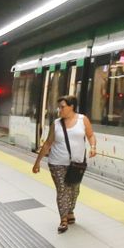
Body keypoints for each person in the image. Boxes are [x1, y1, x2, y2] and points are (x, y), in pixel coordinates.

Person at [33, 94, 94, 233]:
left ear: (71, 107)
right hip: (57, 163)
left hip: (77, 164)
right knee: (62, 190)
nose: (59, 109)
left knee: (74, 190)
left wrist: (93, 147)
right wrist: (37, 163)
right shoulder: (56, 124)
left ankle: (70, 210)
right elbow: (48, 143)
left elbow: (90, 135)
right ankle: (63, 219)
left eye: (62, 107)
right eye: (59, 107)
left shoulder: (82, 120)